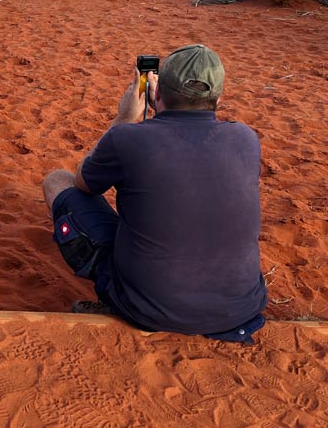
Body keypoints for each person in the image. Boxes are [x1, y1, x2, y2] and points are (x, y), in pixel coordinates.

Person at [42, 44, 268, 343]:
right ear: (218, 98)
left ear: (157, 92)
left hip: (147, 309)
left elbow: (84, 184)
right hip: (239, 309)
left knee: (58, 180)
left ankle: (112, 301)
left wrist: (124, 118)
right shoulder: (245, 138)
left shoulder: (128, 139)